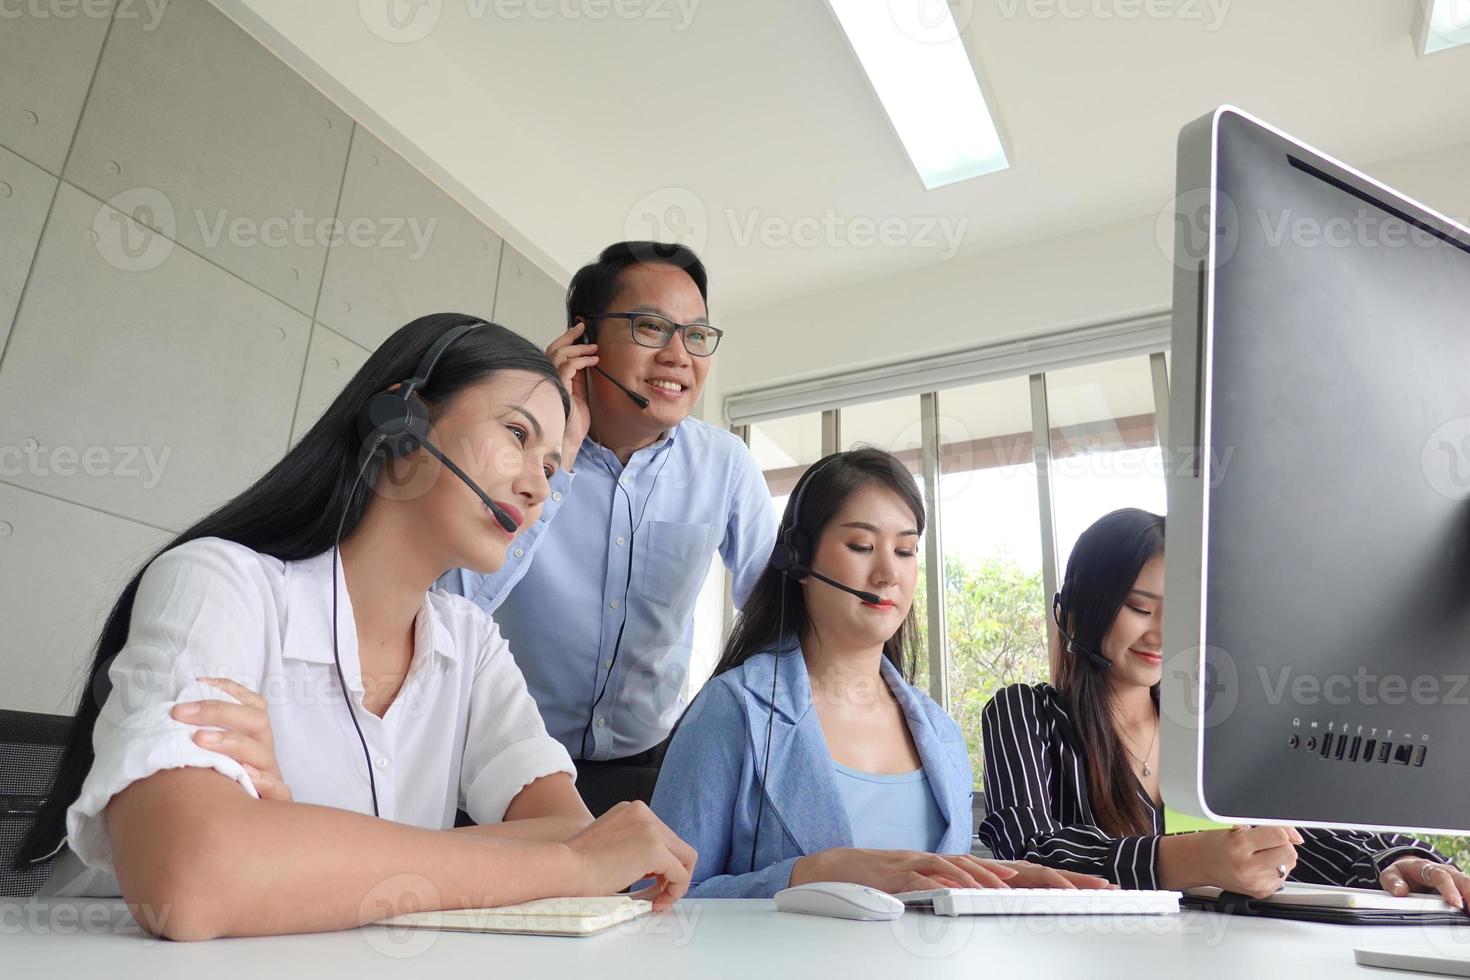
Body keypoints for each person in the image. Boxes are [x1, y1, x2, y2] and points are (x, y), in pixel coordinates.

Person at [15, 314, 695, 940]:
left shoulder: (471, 641)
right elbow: (193, 879)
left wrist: (288, 840)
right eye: (517, 435)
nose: (539, 488)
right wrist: (566, 868)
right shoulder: (219, 583)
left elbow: (566, 830)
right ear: (402, 424)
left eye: (551, 466)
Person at [651, 449, 1111, 897]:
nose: (888, 573)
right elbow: (655, 900)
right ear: (798, 559)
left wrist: (999, 885)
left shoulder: (941, 734)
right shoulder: (733, 710)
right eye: (862, 546)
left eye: (906, 550)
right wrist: (813, 873)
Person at [980, 508, 1470, 907]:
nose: (1162, 634)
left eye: (1183, 612)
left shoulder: (1209, 728)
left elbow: (1297, 837)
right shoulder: (1026, 713)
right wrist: (1196, 859)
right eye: (1140, 608)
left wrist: (1394, 862)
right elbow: (1030, 852)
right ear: (1079, 607)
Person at [441, 242, 777, 813]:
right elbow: (451, 606)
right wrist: (556, 458)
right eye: (652, 327)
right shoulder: (510, 446)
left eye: (696, 335)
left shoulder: (724, 464)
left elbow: (779, 615)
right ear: (583, 340)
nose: (679, 356)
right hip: (499, 759)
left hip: (648, 768)